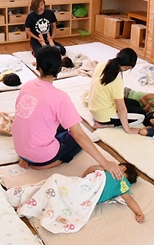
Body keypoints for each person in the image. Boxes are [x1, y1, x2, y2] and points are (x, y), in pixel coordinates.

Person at [12, 45, 125, 180]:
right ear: (59, 68)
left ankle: (26, 157)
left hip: (20, 149)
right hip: (41, 157)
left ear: (38, 65)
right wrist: (106, 163)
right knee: (76, 138)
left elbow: (22, 115)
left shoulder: (27, 85)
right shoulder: (60, 97)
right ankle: (51, 163)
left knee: (53, 123)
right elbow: (79, 136)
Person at [87, 48, 149, 134]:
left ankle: (102, 120)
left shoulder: (102, 64)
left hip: (95, 107)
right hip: (103, 115)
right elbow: (121, 109)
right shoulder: (116, 81)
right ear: (128, 67)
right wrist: (128, 129)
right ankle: (104, 124)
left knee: (137, 104)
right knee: (142, 116)